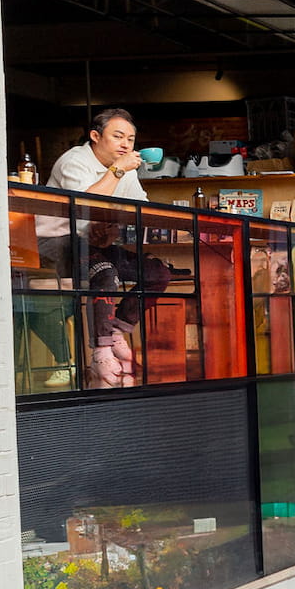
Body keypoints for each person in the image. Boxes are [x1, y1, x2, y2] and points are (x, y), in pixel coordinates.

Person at [41, 109, 170, 387]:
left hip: (91, 241)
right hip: (56, 241)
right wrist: (119, 169)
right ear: (95, 136)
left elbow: (139, 206)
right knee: (105, 272)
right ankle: (100, 351)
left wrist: (111, 228)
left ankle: (116, 330)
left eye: (131, 139)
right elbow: (84, 204)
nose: (126, 144)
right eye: (118, 136)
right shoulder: (74, 161)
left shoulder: (124, 167)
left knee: (157, 273)